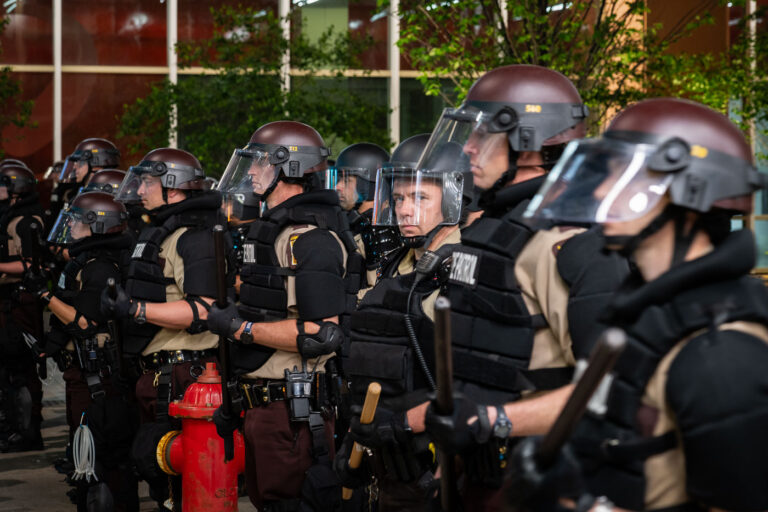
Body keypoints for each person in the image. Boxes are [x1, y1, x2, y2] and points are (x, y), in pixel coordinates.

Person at [515, 97, 768, 511]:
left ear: (689, 191)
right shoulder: (647, 310)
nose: (598, 191)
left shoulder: (720, 353)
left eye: (625, 178)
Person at [418, 65, 629, 508]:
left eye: (482, 137)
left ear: (529, 144)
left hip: (539, 482)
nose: (468, 150)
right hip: (481, 477)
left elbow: (609, 392)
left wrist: (490, 420)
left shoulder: (573, 243)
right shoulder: (494, 231)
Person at [207, 120, 364, 512]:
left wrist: (241, 329)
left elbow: (322, 333)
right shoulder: (274, 233)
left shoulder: (311, 239)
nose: (252, 172)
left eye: (260, 163)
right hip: (265, 407)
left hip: (292, 412)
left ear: (288, 168)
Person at [336, 138, 469, 511]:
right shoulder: (395, 264)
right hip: (384, 459)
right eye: (398, 199)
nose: (405, 211)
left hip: (434, 464)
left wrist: (402, 424)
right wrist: (355, 438)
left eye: (420, 198)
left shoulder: (468, 267)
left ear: (453, 198)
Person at [104, 147, 226, 510]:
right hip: (159, 374)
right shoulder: (162, 232)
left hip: (183, 375)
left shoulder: (196, 237)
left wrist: (136, 309)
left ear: (172, 186)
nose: (139, 190)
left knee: (184, 480)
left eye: (147, 182)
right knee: (162, 479)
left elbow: (203, 309)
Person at [40, 191, 138, 512]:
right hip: (84, 374)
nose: (70, 225)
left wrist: (45, 296)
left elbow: (84, 324)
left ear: (96, 225)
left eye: (78, 220)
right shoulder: (89, 262)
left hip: (98, 378)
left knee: (100, 458)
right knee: (88, 455)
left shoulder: (100, 267)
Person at [0, 163, 46, 452]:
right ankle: (15, 428)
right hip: (9, 301)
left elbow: (32, 265)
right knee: (9, 369)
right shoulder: (10, 216)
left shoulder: (26, 220)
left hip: (21, 302)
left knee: (24, 367)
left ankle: (29, 432)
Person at [324, 142, 401, 289]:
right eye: (339, 179)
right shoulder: (355, 223)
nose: (337, 186)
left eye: (346, 180)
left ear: (368, 184)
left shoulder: (378, 231)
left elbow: (380, 290)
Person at [53, 138, 121, 213]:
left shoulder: (106, 195)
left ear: (96, 165)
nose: (75, 167)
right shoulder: (78, 193)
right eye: (75, 163)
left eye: (80, 163)